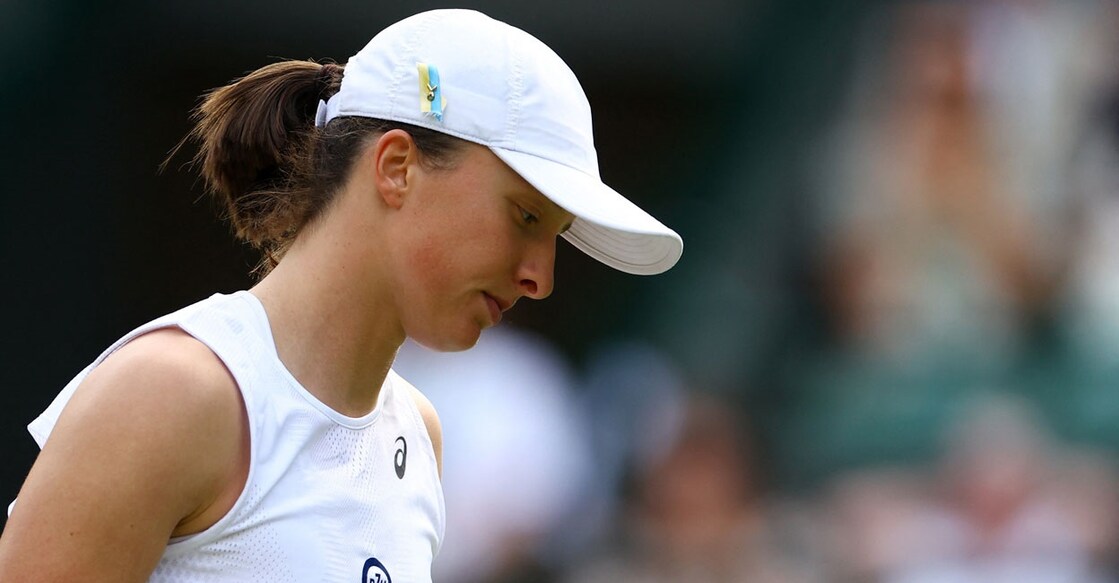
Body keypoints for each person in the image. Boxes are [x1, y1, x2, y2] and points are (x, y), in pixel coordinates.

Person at [0, 8, 682, 582]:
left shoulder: (418, 433)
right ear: (397, 168)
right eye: (525, 216)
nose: (541, 276)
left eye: (554, 235)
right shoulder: (173, 392)